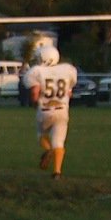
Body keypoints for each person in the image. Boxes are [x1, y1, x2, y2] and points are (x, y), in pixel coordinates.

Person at [21, 43, 78, 179]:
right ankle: (57, 172)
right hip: (62, 110)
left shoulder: (37, 72)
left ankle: (48, 150)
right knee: (59, 141)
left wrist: (34, 103)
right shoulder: (67, 70)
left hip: (45, 110)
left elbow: (35, 92)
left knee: (41, 134)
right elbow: (69, 93)